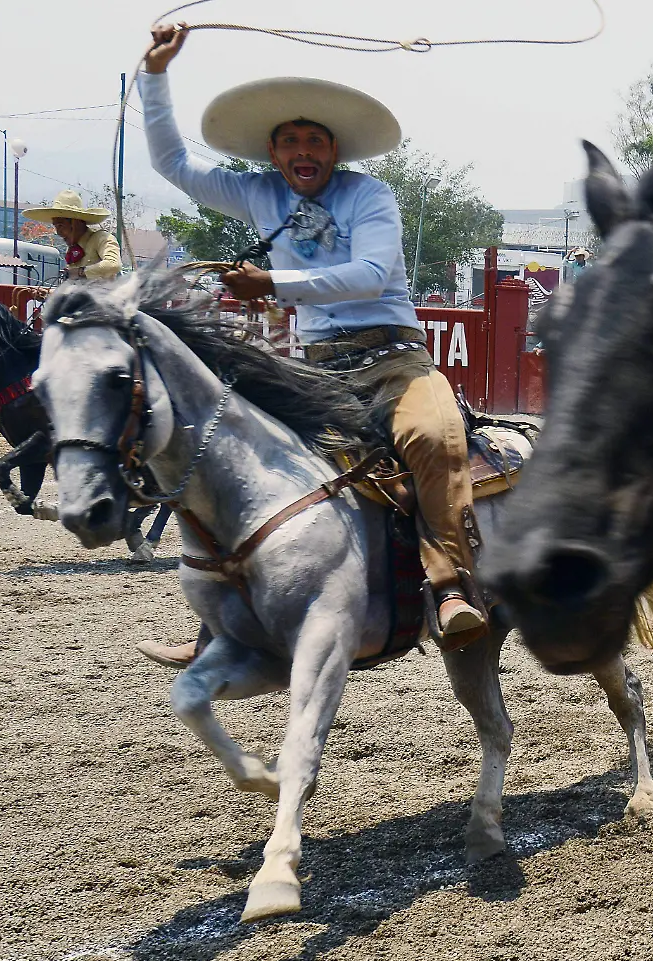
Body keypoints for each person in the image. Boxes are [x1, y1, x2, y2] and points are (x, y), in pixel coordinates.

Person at [133, 21, 486, 667]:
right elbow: (171, 165)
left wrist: (273, 282)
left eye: (314, 140)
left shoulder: (370, 196)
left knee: (434, 439)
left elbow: (373, 275)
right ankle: (223, 616)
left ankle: (448, 585)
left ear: (333, 152)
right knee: (225, 450)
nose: (302, 150)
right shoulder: (255, 192)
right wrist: (154, 76)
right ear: (272, 154)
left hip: (392, 359)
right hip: (315, 369)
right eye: (289, 140)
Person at [23, 191, 121, 282]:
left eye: (60, 225)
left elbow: (113, 264)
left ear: (75, 223)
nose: (58, 232)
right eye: (56, 226)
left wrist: (81, 272)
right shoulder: (73, 250)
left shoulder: (101, 238)